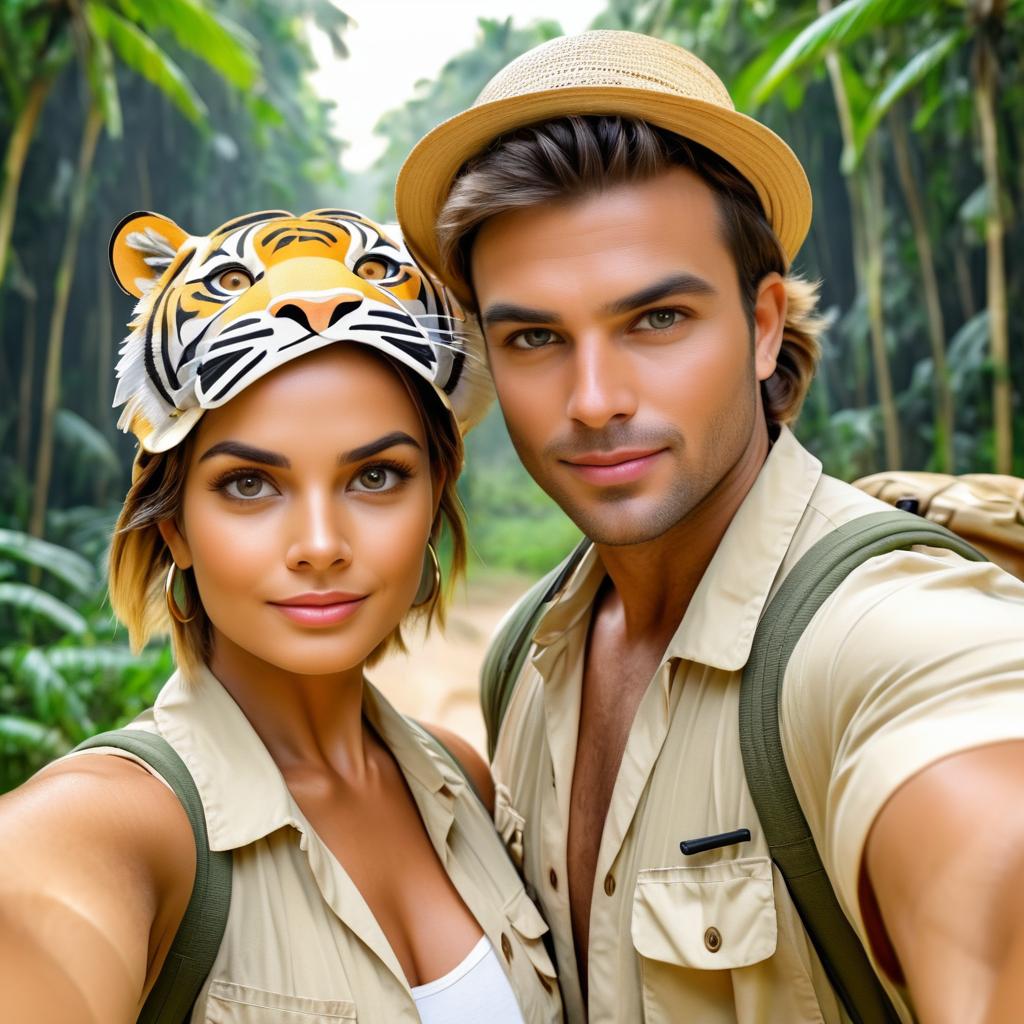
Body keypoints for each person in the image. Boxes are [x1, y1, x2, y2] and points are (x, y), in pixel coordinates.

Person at [395, 30, 1024, 1024]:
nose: (594, 400)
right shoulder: (525, 654)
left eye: (655, 321)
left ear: (764, 321)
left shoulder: (883, 638)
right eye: (534, 337)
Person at [0, 207, 562, 1023]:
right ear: (173, 527)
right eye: (250, 485)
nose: (321, 545)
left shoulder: (462, 781)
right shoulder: (108, 828)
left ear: (436, 498)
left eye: (375, 476)